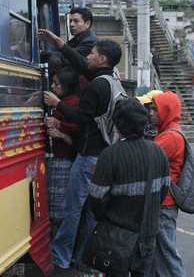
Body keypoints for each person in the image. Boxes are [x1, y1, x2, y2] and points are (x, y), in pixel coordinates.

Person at [41, 38, 124, 275]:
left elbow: (80, 117)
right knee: (89, 211)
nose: (88, 56)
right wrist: (60, 43)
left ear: (102, 59)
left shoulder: (96, 86)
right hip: (103, 154)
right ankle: (84, 257)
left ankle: (61, 257)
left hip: (88, 155)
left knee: (72, 208)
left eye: (93, 53)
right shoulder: (112, 81)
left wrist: (57, 103)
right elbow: (81, 64)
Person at [88, 98, 170, 277]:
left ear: (117, 124)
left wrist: (107, 218)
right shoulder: (159, 152)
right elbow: (164, 190)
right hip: (148, 234)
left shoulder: (110, 155)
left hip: (116, 236)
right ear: (144, 122)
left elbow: (96, 198)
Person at [146, 91, 186, 277]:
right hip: (162, 202)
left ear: (167, 111)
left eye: (155, 109)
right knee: (158, 255)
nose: (150, 113)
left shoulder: (170, 137)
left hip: (165, 204)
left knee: (167, 255)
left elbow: (145, 159)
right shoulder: (168, 132)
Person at [46, 67, 81, 235]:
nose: (53, 87)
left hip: (64, 160)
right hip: (59, 158)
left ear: (66, 86)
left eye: (57, 84)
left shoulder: (72, 104)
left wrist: (59, 132)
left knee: (58, 208)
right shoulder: (66, 102)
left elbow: (77, 132)